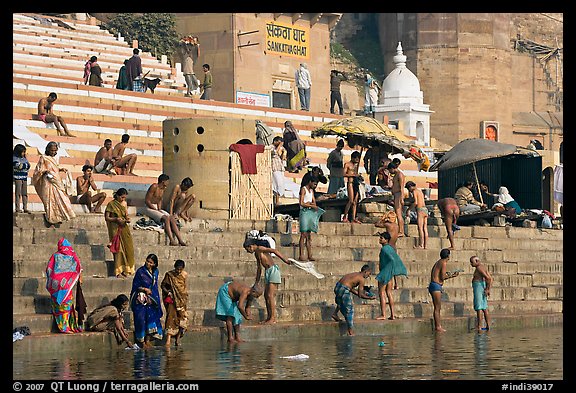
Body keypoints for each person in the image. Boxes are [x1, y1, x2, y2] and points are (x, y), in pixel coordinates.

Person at [243, 232, 293, 324]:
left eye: (247, 249)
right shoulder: (256, 254)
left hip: (273, 270)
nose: (247, 251)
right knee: (266, 296)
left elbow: (274, 251)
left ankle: (273, 318)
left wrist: (285, 260)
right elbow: (259, 268)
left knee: (270, 296)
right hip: (268, 272)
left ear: (251, 246)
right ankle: (269, 317)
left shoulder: (260, 248)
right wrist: (256, 282)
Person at [32, 141, 76, 227]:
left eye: (55, 150)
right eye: (52, 150)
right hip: (47, 182)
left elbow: (54, 168)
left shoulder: (54, 159)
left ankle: (58, 217)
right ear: (48, 150)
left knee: (61, 198)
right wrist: (45, 171)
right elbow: (38, 170)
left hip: (56, 181)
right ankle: (50, 218)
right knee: (49, 201)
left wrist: (60, 169)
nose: (53, 152)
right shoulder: (43, 158)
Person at [45, 238, 84, 333]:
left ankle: (67, 326)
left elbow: (49, 269)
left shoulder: (55, 255)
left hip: (55, 284)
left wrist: (53, 279)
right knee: (66, 305)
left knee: (60, 305)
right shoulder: (73, 255)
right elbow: (79, 268)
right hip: (66, 284)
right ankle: (65, 327)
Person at [142, 174, 187, 246]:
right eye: (167, 181)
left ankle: (180, 240)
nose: (168, 183)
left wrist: (159, 209)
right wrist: (155, 209)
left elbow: (159, 200)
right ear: (163, 181)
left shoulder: (163, 189)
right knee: (166, 218)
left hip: (156, 207)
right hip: (149, 207)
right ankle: (171, 240)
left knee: (172, 218)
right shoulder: (154, 186)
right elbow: (147, 201)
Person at [130, 253, 163, 348]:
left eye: (150, 262)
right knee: (141, 318)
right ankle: (142, 342)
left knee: (151, 318)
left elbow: (155, 286)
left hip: (152, 299)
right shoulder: (140, 272)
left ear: (154, 264)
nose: (148, 263)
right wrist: (144, 289)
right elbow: (135, 286)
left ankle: (148, 340)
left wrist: (153, 296)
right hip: (140, 299)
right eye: (147, 261)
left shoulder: (156, 272)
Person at [331, 264, 376, 336]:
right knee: (350, 310)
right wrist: (370, 298)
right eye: (369, 273)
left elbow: (350, 288)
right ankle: (350, 331)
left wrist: (365, 293)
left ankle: (335, 314)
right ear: (365, 271)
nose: (369, 276)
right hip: (344, 289)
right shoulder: (362, 279)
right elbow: (360, 295)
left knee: (341, 303)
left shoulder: (355, 274)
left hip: (338, 287)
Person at [374, 232, 408, 320]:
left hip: (385, 273)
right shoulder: (391, 248)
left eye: (381, 238)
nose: (380, 239)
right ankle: (392, 314)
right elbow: (394, 262)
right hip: (390, 275)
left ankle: (383, 314)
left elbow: (392, 260)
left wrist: (386, 271)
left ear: (386, 240)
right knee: (389, 293)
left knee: (382, 293)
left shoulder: (385, 249)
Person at [104, 188, 135, 278]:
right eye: (122, 197)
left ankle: (126, 270)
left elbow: (126, 215)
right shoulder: (111, 204)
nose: (123, 199)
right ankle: (118, 271)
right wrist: (116, 219)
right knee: (118, 250)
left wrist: (127, 219)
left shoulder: (124, 204)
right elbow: (107, 218)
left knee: (129, 249)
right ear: (117, 196)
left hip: (124, 228)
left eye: (124, 198)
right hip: (115, 229)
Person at [429, 248, 460, 332]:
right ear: (448, 256)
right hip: (436, 286)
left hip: (434, 285)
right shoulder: (443, 262)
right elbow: (442, 277)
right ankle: (438, 327)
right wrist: (452, 275)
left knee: (437, 307)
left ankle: (438, 326)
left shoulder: (438, 262)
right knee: (437, 308)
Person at [161, 259, 189, 347]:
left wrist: (183, 297)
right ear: (175, 268)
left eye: (181, 269)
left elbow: (183, 288)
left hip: (181, 300)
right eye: (177, 269)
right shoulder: (169, 275)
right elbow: (162, 285)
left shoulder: (184, 275)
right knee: (171, 317)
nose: (179, 271)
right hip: (172, 300)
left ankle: (178, 339)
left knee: (182, 319)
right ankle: (168, 341)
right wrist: (168, 292)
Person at [299, 176, 325, 261]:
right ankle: (301, 255)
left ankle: (310, 254)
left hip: (310, 213)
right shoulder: (304, 189)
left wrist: (311, 204)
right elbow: (301, 203)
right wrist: (310, 204)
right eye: (314, 184)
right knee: (303, 234)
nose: (315, 186)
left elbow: (314, 202)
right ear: (310, 182)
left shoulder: (311, 191)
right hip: (304, 212)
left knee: (309, 235)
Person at [470, 255, 492, 331]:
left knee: (479, 307)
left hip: (479, 287)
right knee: (484, 307)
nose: (471, 264)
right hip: (481, 286)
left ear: (476, 261)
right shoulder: (482, 267)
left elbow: (488, 278)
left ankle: (479, 326)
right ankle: (488, 326)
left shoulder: (479, 268)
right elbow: (489, 278)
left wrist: (487, 289)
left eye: (472, 262)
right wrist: (487, 288)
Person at [405, 181, 429, 249]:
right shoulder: (420, 191)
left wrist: (409, 209)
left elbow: (416, 202)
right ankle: (425, 246)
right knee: (425, 228)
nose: (409, 190)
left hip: (420, 210)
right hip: (425, 209)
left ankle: (421, 245)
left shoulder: (415, 191)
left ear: (410, 187)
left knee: (420, 228)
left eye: (408, 189)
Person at [342, 151, 362, 223]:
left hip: (356, 183)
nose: (357, 160)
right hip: (350, 183)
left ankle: (353, 218)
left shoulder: (356, 166)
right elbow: (343, 174)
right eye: (356, 158)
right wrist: (353, 175)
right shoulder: (347, 164)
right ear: (353, 158)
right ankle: (344, 216)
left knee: (355, 202)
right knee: (350, 201)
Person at [388, 161, 406, 236]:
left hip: (399, 194)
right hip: (396, 194)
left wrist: (402, 198)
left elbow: (402, 187)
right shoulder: (395, 175)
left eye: (390, 170)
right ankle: (400, 230)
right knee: (397, 213)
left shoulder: (400, 175)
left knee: (399, 214)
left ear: (392, 168)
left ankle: (401, 231)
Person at [13, 144, 31, 213]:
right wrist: (25, 165)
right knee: (18, 193)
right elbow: (18, 166)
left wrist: (24, 165)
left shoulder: (24, 159)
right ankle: (17, 208)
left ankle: (25, 208)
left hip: (24, 177)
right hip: (18, 177)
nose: (24, 154)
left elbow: (28, 165)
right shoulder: (14, 158)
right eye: (23, 152)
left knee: (24, 193)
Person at [271, 136, 286, 206]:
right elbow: (274, 152)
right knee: (276, 183)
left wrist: (283, 153)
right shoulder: (271, 147)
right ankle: (276, 200)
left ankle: (278, 199)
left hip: (279, 166)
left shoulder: (280, 148)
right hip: (274, 166)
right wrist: (279, 146)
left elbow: (282, 158)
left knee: (281, 183)